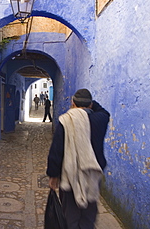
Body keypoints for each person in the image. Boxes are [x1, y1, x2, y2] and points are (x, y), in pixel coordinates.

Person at [46, 89, 110, 229]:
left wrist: (53, 175)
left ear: (73, 103)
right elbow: (103, 110)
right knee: (89, 215)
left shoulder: (66, 121)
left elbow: (57, 150)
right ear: (91, 104)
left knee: (71, 215)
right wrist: (90, 103)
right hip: (93, 174)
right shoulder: (101, 119)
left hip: (71, 174)